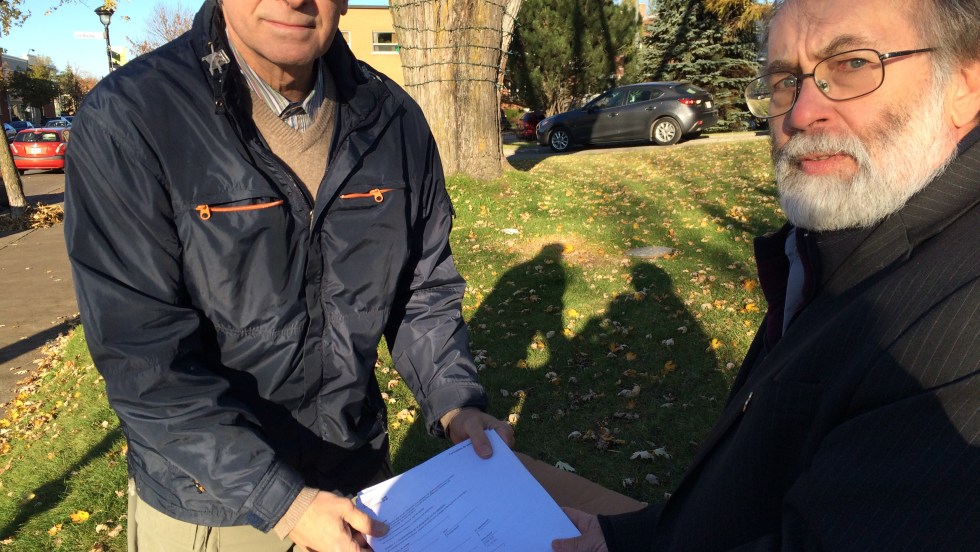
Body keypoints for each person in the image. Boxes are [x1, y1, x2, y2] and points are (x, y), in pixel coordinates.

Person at [63, 0, 514, 550]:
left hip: (358, 481)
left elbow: (422, 292)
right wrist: (283, 500)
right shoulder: (131, 118)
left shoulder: (394, 119)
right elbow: (141, 353)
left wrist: (455, 401)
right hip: (218, 506)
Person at [552, 0, 980, 550]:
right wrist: (622, 538)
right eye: (784, 82)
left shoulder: (961, 319)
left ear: (965, 86)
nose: (800, 114)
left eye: (852, 64)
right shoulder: (833, 243)